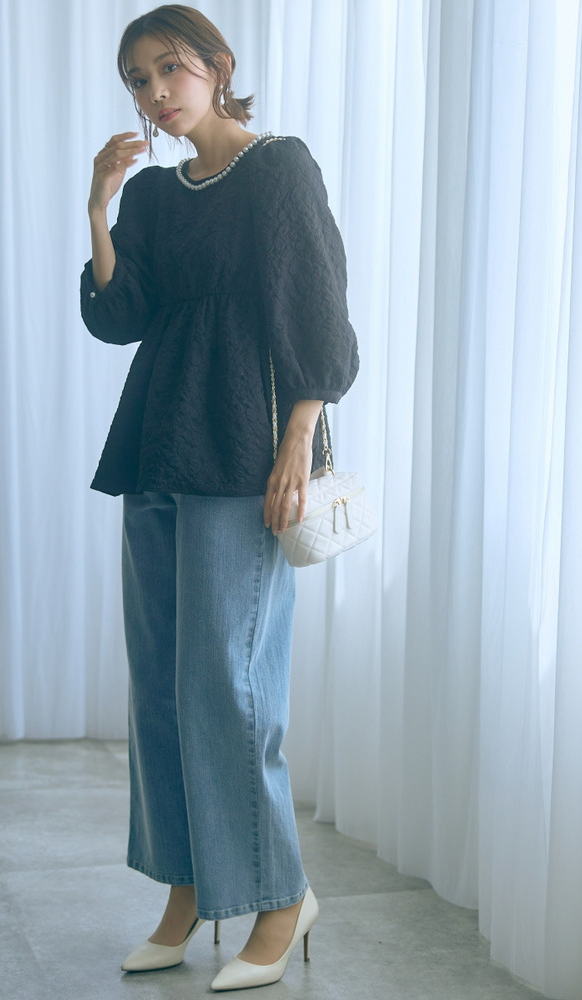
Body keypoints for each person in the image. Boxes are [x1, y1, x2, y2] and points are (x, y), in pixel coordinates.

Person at [80, 5, 358, 992]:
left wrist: (296, 446)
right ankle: (188, 887)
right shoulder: (156, 192)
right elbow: (121, 316)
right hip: (156, 446)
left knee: (230, 685)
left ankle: (281, 895)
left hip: (245, 452)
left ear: (218, 66)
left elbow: (320, 318)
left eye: (171, 68)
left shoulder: (279, 169)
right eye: (139, 79)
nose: (157, 92)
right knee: (161, 686)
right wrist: (101, 209)